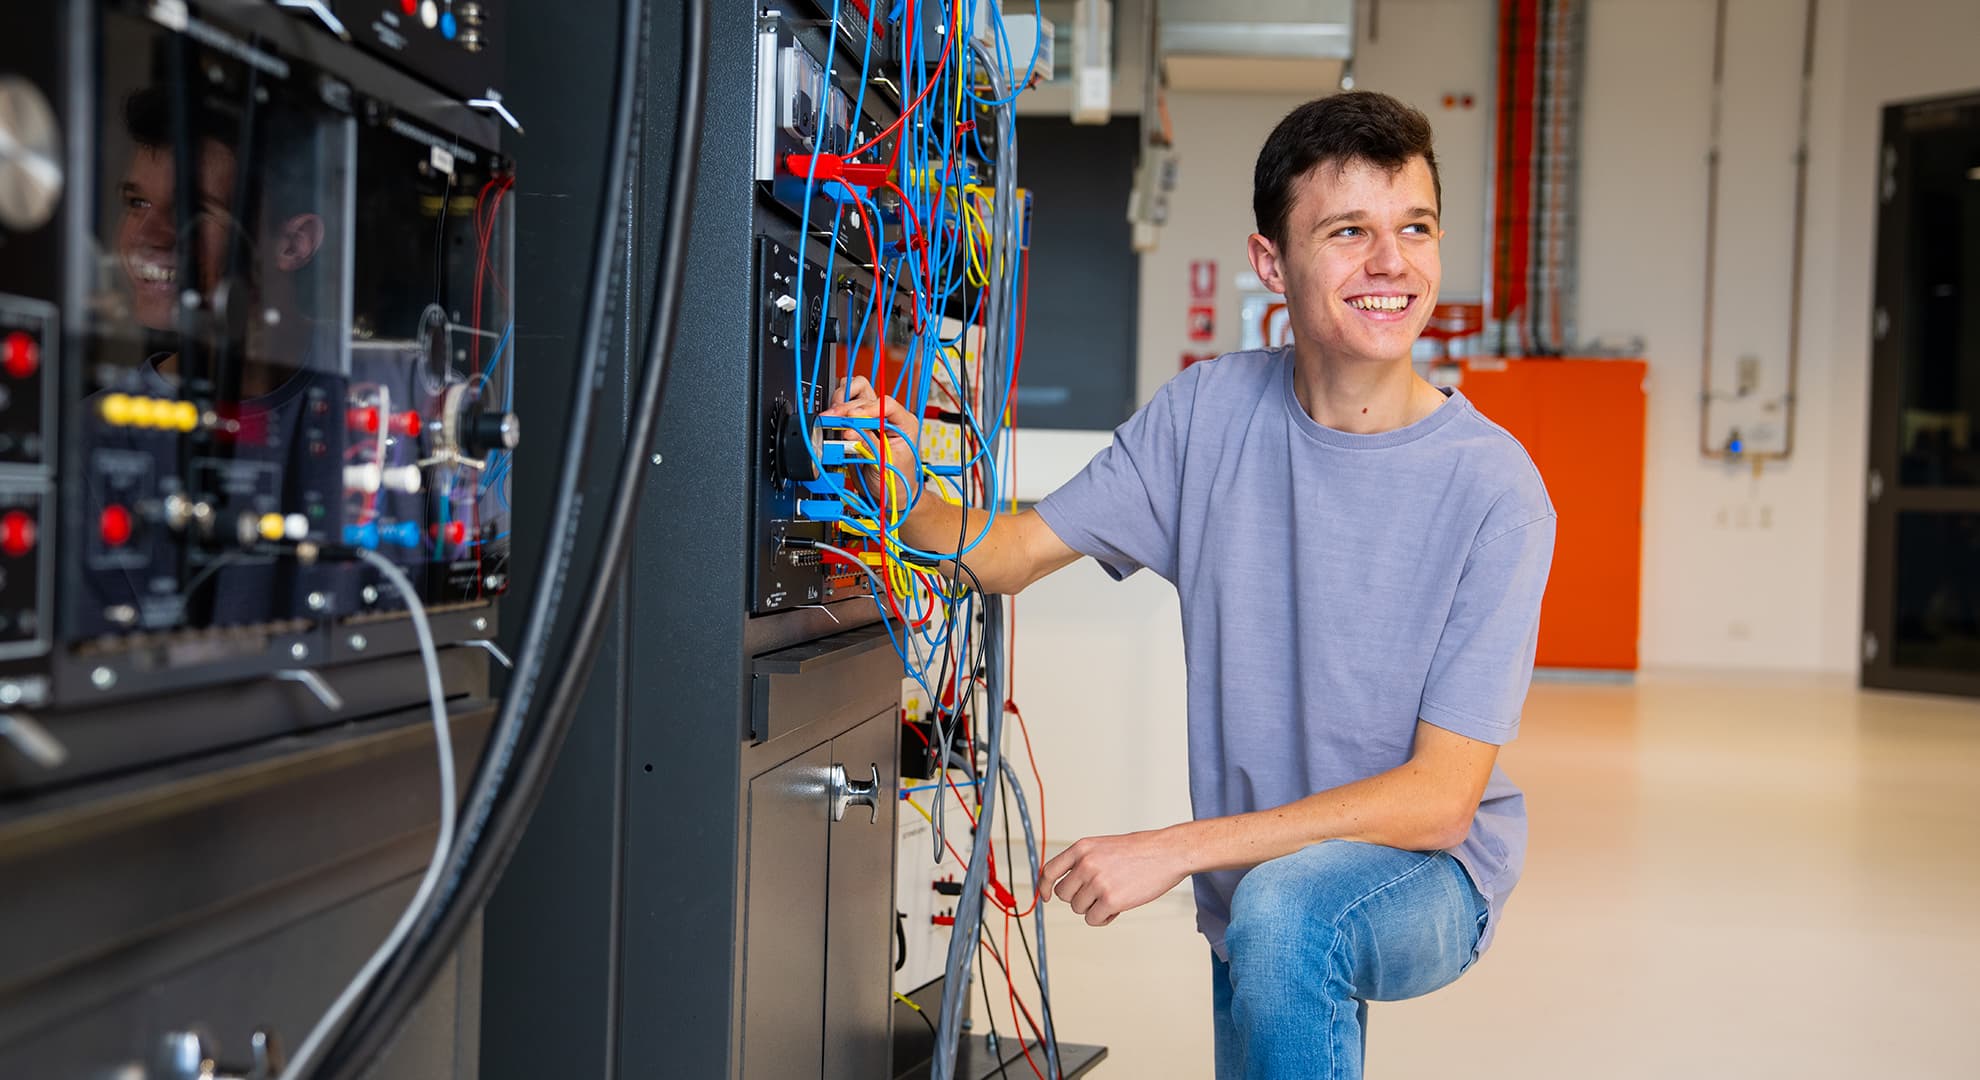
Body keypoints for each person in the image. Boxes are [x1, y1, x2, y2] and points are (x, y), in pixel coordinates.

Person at [827, 91, 1555, 1078]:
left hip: (1431, 875)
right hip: (1256, 876)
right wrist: (901, 486)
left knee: (1290, 912)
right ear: (1271, 264)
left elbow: (1439, 801)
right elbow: (1009, 555)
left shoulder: (1495, 487)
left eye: (1414, 228)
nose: (1393, 264)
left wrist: (1176, 846)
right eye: (1349, 232)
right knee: (1273, 922)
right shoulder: (1207, 417)